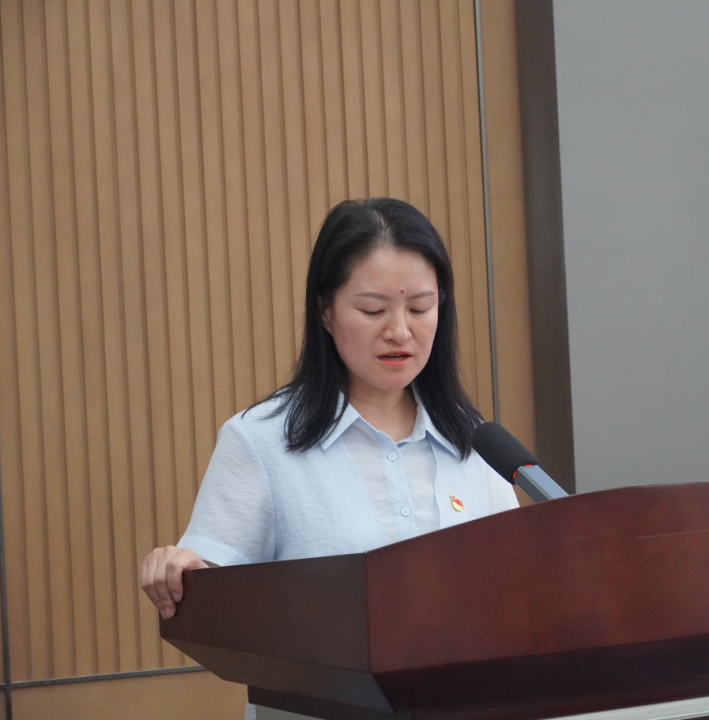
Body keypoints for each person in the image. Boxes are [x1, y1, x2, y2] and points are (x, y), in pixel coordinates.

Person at [140, 198, 518, 621]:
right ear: (325, 311)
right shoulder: (260, 440)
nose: (399, 331)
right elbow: (212, 590)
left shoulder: (477, 441)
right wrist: (181, 571)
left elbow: (518, 583)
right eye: (373, 310)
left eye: (419, 308)